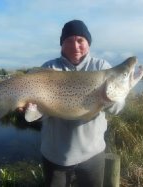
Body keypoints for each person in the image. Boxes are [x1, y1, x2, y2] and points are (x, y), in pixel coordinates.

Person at [24, 20, 125, 187]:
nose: (75, 46)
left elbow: (118, 108)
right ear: (62, 44)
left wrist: (109, 99)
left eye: (80, 40)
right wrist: (31, 111)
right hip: (55, 156)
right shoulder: (49, 67)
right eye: (69, 41)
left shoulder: (101, 67)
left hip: (93, 154)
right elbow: (40, 117)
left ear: (88, 43)